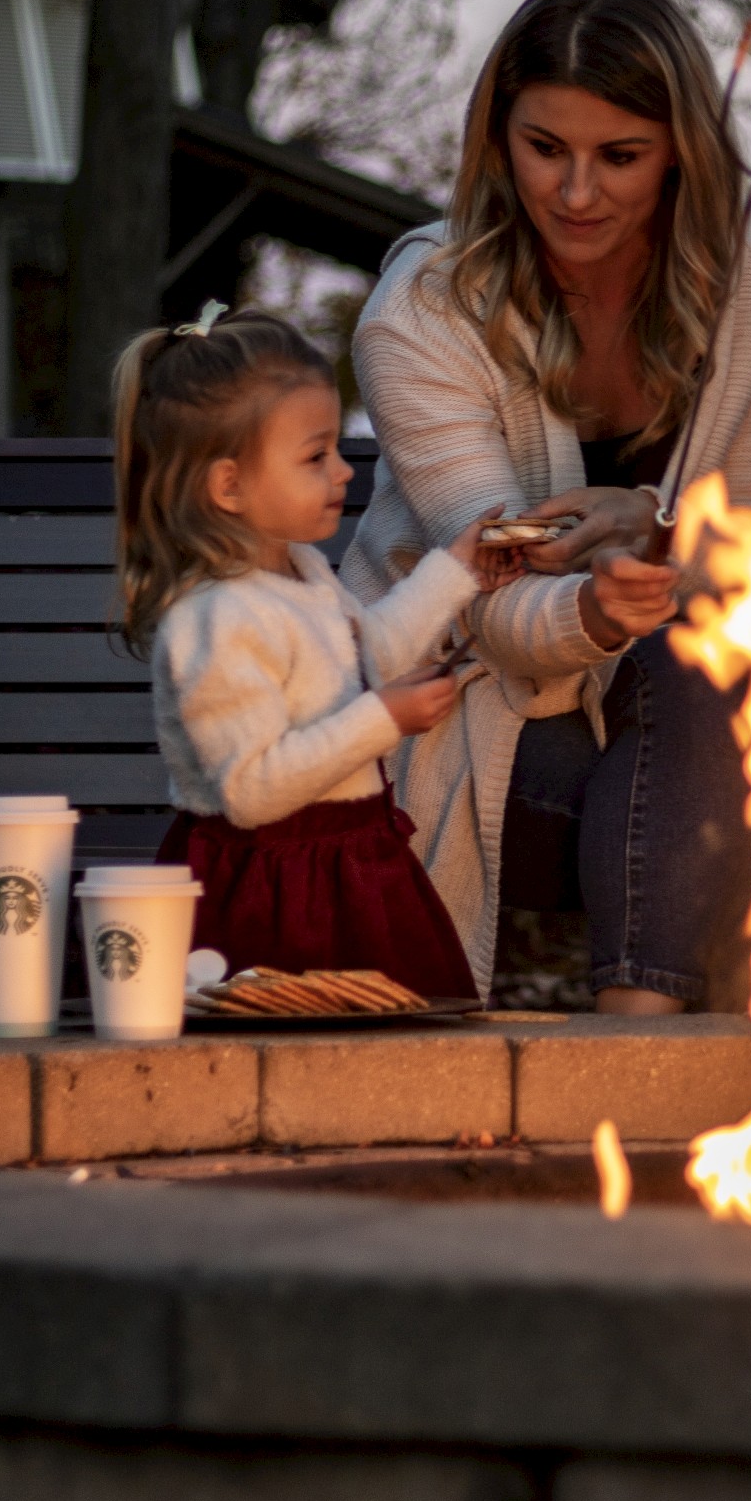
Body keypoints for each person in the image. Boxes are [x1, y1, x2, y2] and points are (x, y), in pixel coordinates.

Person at [342, 0, 751, 1011]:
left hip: (680, 706)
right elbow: (489, 602)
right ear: (496, 137)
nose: (575, 193)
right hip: (469, 696)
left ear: (683, 150)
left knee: (705, 672)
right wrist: (608, 606)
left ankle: (631, 1043)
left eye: (620, 157)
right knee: (709, 723)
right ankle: (639, 1051)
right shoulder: (424, 307)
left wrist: (653, 533)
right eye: (544, 149)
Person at [116, 305, 502, 996]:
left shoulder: (303, 569)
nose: (343, 471)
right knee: (293, 1065)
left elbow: (369, 655)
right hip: (273, 892)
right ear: (228, 485)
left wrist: (457, 570)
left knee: (399, 1061)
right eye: (315, 456)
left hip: (354, 865)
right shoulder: (216, 618)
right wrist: (385, 718)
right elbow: (252, 789)